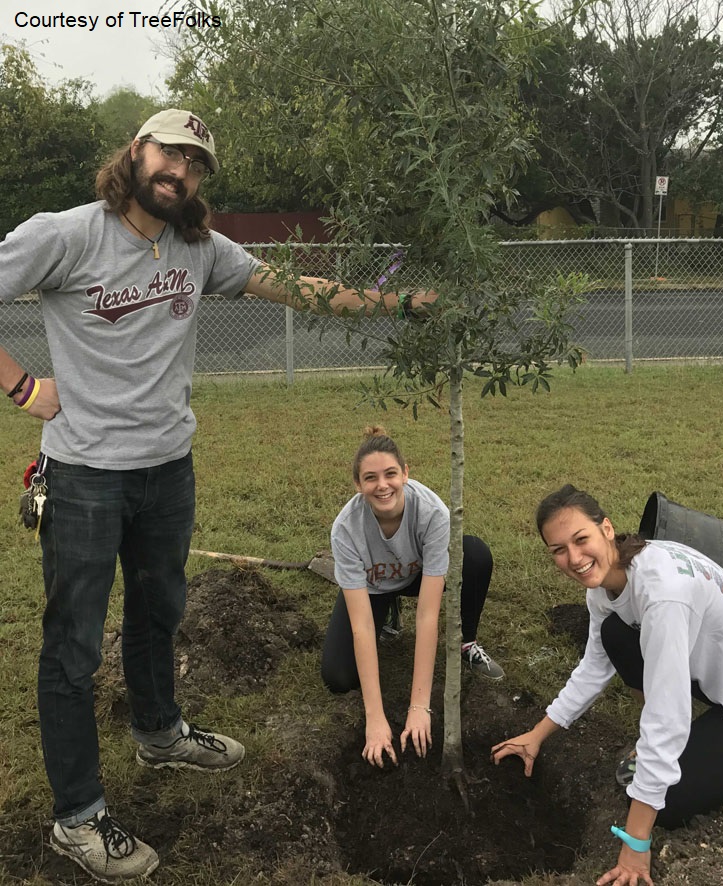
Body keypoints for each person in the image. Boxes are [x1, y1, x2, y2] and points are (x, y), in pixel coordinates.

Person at [0, 109, 431, 884]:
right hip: (88, 475)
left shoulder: (201, 247)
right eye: (171, 153)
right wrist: (24, 386)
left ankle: (160, 732)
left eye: (196, 163)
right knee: (72, 647)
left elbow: (300, 288)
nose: (181, 172)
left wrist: (393, 304)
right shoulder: (64, 234)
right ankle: (76, 815)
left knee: (159, 611)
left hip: (169, 470)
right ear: (137, 152)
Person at [491, 484, 723, 886]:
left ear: (606, 528)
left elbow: (668, 719)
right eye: (559, 550)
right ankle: (713, 747)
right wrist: (537, 734)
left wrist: (636, 845)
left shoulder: (663, 595)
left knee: (667, 802)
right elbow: (594, 665)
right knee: (616, 635)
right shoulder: (612, 581)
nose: (574, 559)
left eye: (580, 539)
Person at [321, 427, 504, 767]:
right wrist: (375, 719)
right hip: (373, 587)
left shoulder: (433, 514)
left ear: (406, 473)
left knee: (475, 554)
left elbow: (427, 614)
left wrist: (419, 707)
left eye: (391, 473)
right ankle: (388, 611)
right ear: (358, 486)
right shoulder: (345, 529)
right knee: (338, 677)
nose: (382, 485)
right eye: (370, 478)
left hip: (418, 577)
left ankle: (466, 643)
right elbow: (360, 625)